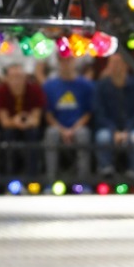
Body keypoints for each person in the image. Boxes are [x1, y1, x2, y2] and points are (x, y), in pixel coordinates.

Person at [94, 52, 134, 178]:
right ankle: (106, 171)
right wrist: (114, 131)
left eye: (118, 63)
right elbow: (100, 114)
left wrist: (127, 130)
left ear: (126, 65)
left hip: (131, 128)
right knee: (103, 137)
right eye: (112, 63)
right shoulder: (101, 86)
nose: (115, 67)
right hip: (108, 127)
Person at [42, 54, 93, 184]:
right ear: (58, 62)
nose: (66, 64)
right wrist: (62, 130)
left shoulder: (86, 85)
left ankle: (83, 181)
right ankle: (50, 180)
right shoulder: (49, 86)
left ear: (74, 61)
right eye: (63, 61)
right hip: (58, 127)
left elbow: (88, 113)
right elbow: (48, 114)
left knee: (83, 134)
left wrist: (73, 129)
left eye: (69, 60)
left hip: (78, 126)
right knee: (51, 133)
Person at [0, 63, 44, 180]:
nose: (17, 81)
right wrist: (15, 121)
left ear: (26, 78)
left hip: (29, 128)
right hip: (9, 129)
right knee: (8, 135)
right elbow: (4, 122)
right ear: (6, 79)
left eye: (19, 77)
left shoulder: (35, 90)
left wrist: (27, 121)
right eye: (13, 77)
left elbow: (36, 120)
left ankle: (32, 178)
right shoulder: (0, 91)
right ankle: (8, 177)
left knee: (33, 133)